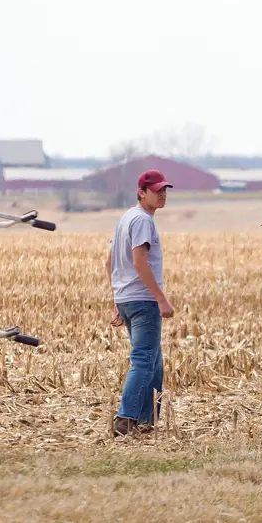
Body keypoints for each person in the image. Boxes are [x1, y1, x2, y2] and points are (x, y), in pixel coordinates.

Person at [110, 170, 174, 437]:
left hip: (126, 298)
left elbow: (109, 261)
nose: (162, 194)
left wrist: (116, 300)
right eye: (156, 190)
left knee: (154, 362)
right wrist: (161, 298)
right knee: (144, 361)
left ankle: (148, 420)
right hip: (143, 300)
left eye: (164, 189)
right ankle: (126, 419)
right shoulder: (143, 220)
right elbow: (139, 261)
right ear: (141, 192)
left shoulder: (126, 217)